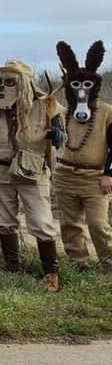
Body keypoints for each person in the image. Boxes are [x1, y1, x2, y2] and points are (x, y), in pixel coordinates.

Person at [0, 59, 66, 292]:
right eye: (3, 80)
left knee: (41, 221)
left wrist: (56, 135)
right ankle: (12, 267)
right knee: (5, 222)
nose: (6, 85)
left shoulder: (46, 105)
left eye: (12, 80)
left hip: (32, 169)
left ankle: (51, 272)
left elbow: (62, 139)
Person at [54, 40, 112, 270]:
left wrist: (109, 173)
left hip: (95, 179)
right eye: (76, 84)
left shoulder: (107, 111)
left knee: (98, 224)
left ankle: (109, 263)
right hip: (66, 175)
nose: (81, 89)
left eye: (86, 84)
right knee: (69, 224)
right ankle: (79, 264)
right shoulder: (63, 111)